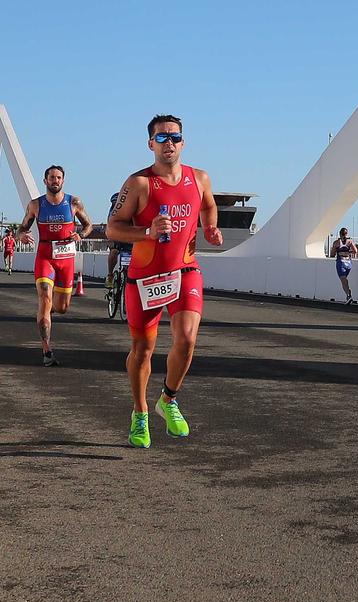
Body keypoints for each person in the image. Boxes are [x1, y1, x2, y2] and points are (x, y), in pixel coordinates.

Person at [107, 114, 221, 447]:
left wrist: (210, 228)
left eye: (174, 137)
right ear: (150, 144)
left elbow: (209, 207)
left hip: (185, 271)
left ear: (183, 142)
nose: (168, 143)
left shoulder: (199, 178)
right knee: (143, 350)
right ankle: (140, 412)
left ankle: (168, 399)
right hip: (144, 278)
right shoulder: (139, 183)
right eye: (161, 138)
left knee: (186, 339)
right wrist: (147, 232)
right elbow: (113, 227)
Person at [13, 166, 93, 366]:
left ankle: (47, 311)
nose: (55, 181)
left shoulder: (74, 203)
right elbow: (21, 227)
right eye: (51, 178)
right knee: (45, 298)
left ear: (63, 181)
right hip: (45, 257)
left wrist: (80, 235)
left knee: (62, 307)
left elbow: (88, 226)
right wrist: (21, 235)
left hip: (66, 259)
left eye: (58, 178)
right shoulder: (35, 205)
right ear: (45, 181)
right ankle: (46, 350)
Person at [331, 227, 357, 302]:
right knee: (344, 280)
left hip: (341, 263)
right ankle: (348, 293)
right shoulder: (350, 242)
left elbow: (332, 254)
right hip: (348, 263)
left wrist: (338, 252)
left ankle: (348, 295)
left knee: (343, 280)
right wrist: (348, 252)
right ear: (347, 234)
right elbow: (355, 251)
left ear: (340, 234)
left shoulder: (336, 242)